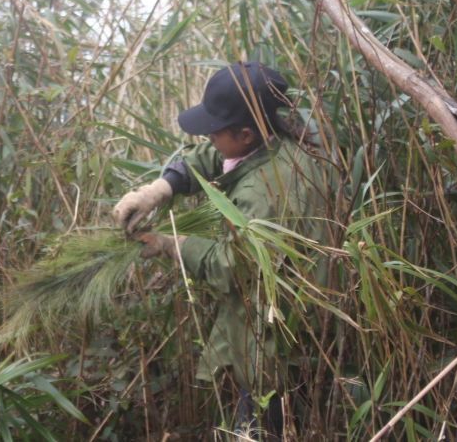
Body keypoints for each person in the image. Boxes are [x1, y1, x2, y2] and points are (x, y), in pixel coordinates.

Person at [112, 62, 329, 439]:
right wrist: (162, 188)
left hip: (282, 336)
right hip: (287, 320)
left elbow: (232, 266)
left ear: (245, 133)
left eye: (213, 132)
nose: (208, 138)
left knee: (261, 425)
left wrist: (169, 245)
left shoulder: (265, 192)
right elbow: (218, 158)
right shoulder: (276, 142)